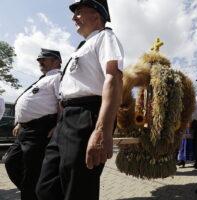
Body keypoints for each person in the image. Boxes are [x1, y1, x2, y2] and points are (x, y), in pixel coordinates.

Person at [36, 1, 124, 200]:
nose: (73, 17)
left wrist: (102, 130)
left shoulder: (105, 37)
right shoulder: (82, 47)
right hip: (67, 119)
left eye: (79, 12)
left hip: (87, 115)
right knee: (46, 187)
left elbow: (114, 78)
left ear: (96, 15)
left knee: (78, 189)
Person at [4, 48, 62, 200]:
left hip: (40, 129)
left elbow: (61, 102)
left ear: (57, 61)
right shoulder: (43, 79)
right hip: (26, 129)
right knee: (11, 162)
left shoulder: (58, 77)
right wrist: (21, 123)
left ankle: (33, 194)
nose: (40, 62)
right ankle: (36, 193)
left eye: (44, 59)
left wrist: (58, 126)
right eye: (39, 60)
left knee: (32, 172)